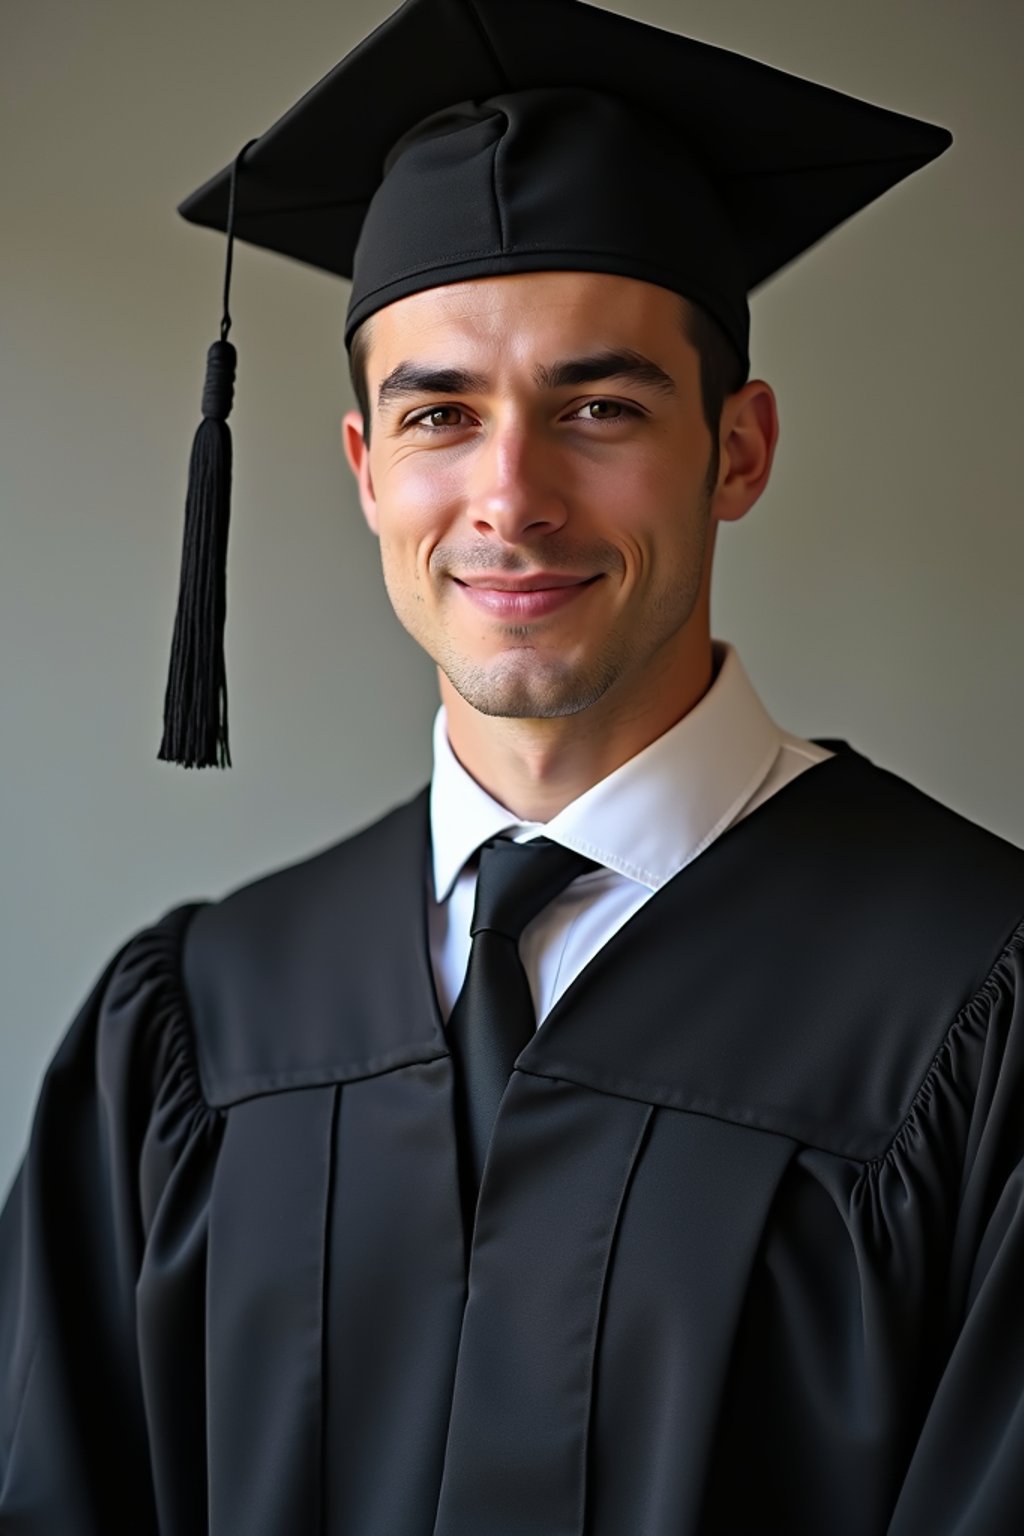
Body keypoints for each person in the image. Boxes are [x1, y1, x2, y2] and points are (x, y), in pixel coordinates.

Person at [2, 1, 1023, 1532]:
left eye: (597, 408)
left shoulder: (977, 997)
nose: (511, 497)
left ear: (736, 449)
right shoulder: (204, 1025)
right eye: (440, 414)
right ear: (365, 469)